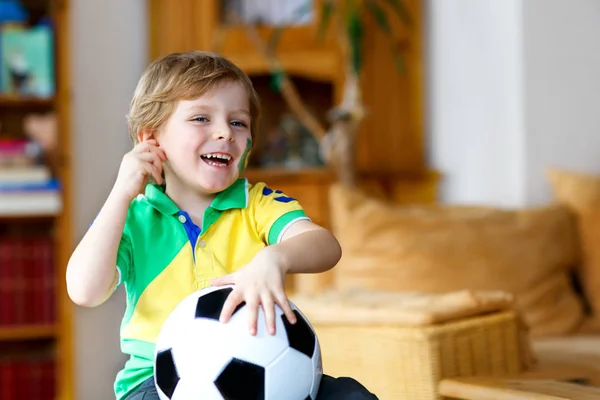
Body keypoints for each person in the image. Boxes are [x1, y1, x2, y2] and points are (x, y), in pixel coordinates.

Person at [66, 51, 378, 400]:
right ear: (151, 139)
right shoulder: (131, 218)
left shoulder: (258, 204)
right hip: (161, 380)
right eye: (201, 118)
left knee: (350, 395)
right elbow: (84, 290)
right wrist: (121, 193)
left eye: (238, 122)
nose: (224, 133)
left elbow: (325, 246)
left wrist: (274, 258)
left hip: (264, 367)